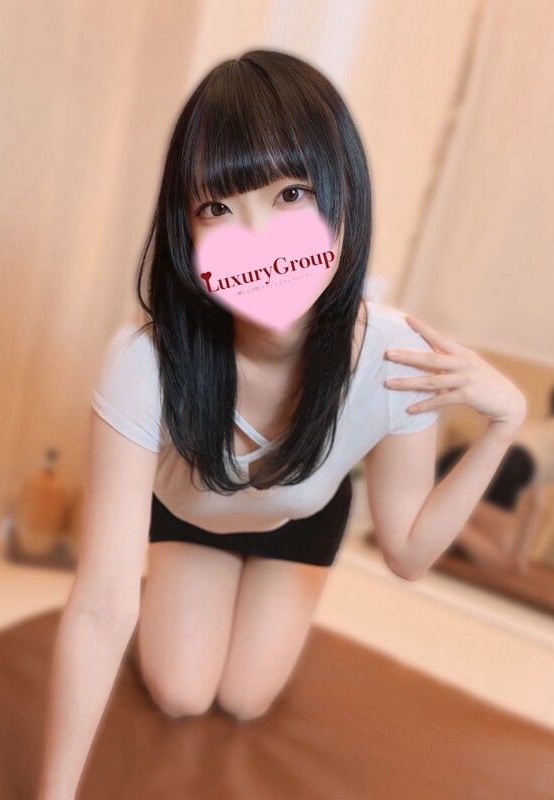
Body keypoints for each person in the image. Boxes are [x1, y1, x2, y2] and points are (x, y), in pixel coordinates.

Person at [37, 50, 526, 800]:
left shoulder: (396, 354)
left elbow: (408, 553)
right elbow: (102, 606)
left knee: (245, 699)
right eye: (216, 208)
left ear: (343, 196)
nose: (259, 239)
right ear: (185, 233)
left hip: (301, 515)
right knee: (182, 693)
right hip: (192, 513)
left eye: (291, 193)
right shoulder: (144, 361)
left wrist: (501, 426)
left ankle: (266, 586)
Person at [436, 386, 554, 574]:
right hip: (505, 464)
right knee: (494, 558)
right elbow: (536, 505)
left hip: (465, 454)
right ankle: (445, 522)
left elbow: (537, 502)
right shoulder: (542, 444)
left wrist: (518, 559)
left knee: (481, 551)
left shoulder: (539, 432)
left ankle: (440, 519)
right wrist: (518, 560)